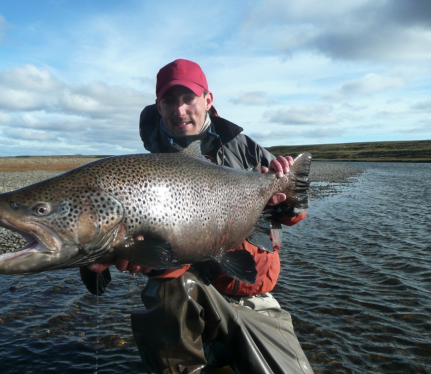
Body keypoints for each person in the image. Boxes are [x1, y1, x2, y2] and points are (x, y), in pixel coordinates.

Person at [80, 59, 313, 374]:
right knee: (165, 292)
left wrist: (281, 199)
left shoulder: (245, 149)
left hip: (251, 292)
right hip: (189, 293)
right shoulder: (148, 172)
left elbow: (295, 213)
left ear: (208, 100)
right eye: (168, 101)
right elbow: (160, 254)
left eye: (188, 98)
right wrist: (145, 260)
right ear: (158, 107)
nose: (179, 110)